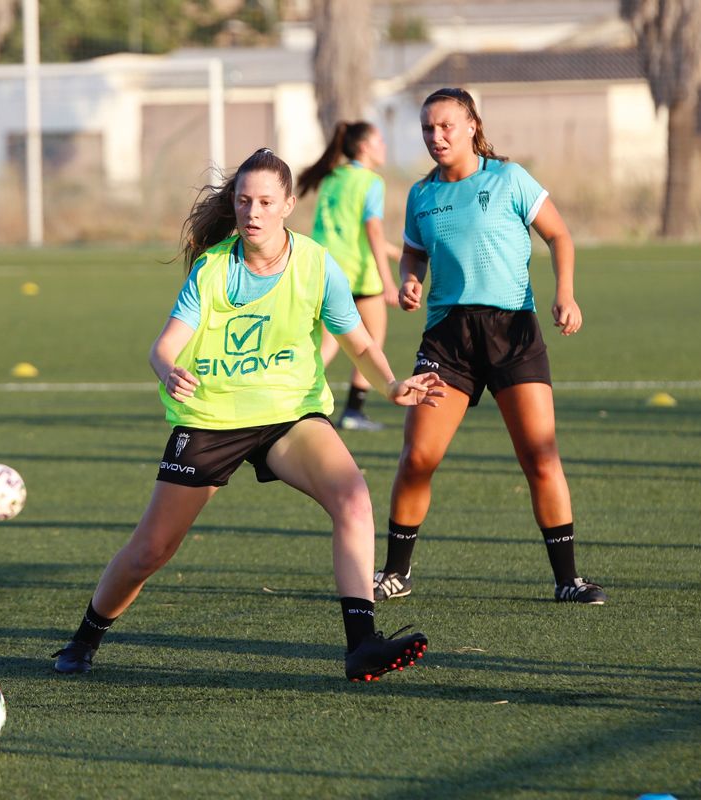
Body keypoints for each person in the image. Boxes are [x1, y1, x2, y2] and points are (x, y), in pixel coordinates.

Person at [50, 148, 446, 682]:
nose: (252, 211)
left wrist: (394, 384)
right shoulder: (214, 269)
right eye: (243, 200)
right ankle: (82, 641)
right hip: (212, 417)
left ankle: (361, 644)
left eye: (264, 201)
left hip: (289, 414)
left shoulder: (314, 262)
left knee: (352, 498)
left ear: (287, 204)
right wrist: (169, 371)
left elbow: (358, 344)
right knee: (152, 549)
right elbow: (162, 348)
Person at [372, 88, 607, 605]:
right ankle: (396, 573)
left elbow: (559, 236)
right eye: (428, 129)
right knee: (417, 458)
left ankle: (568, 579)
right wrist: (410, 280)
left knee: (540, 458)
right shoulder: (421, 195)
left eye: (446, 126)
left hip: (512, 332)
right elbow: (413, 255)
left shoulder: (509, 179)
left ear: (473, 125)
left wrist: (564, 293)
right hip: (448, 337)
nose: (436, 137)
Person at [297, 121, 400, 431]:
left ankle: (294, 397)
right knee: (371, 341)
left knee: (328, 344)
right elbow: (372, 229)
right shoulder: (371, 182)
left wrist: (397, 253)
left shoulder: (332, 177)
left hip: (324, 269)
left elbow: (346, 229)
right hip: (358, 274)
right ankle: (354, 412)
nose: (384, 146)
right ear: (365, 147)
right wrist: (388, 281)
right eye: (380, 140)